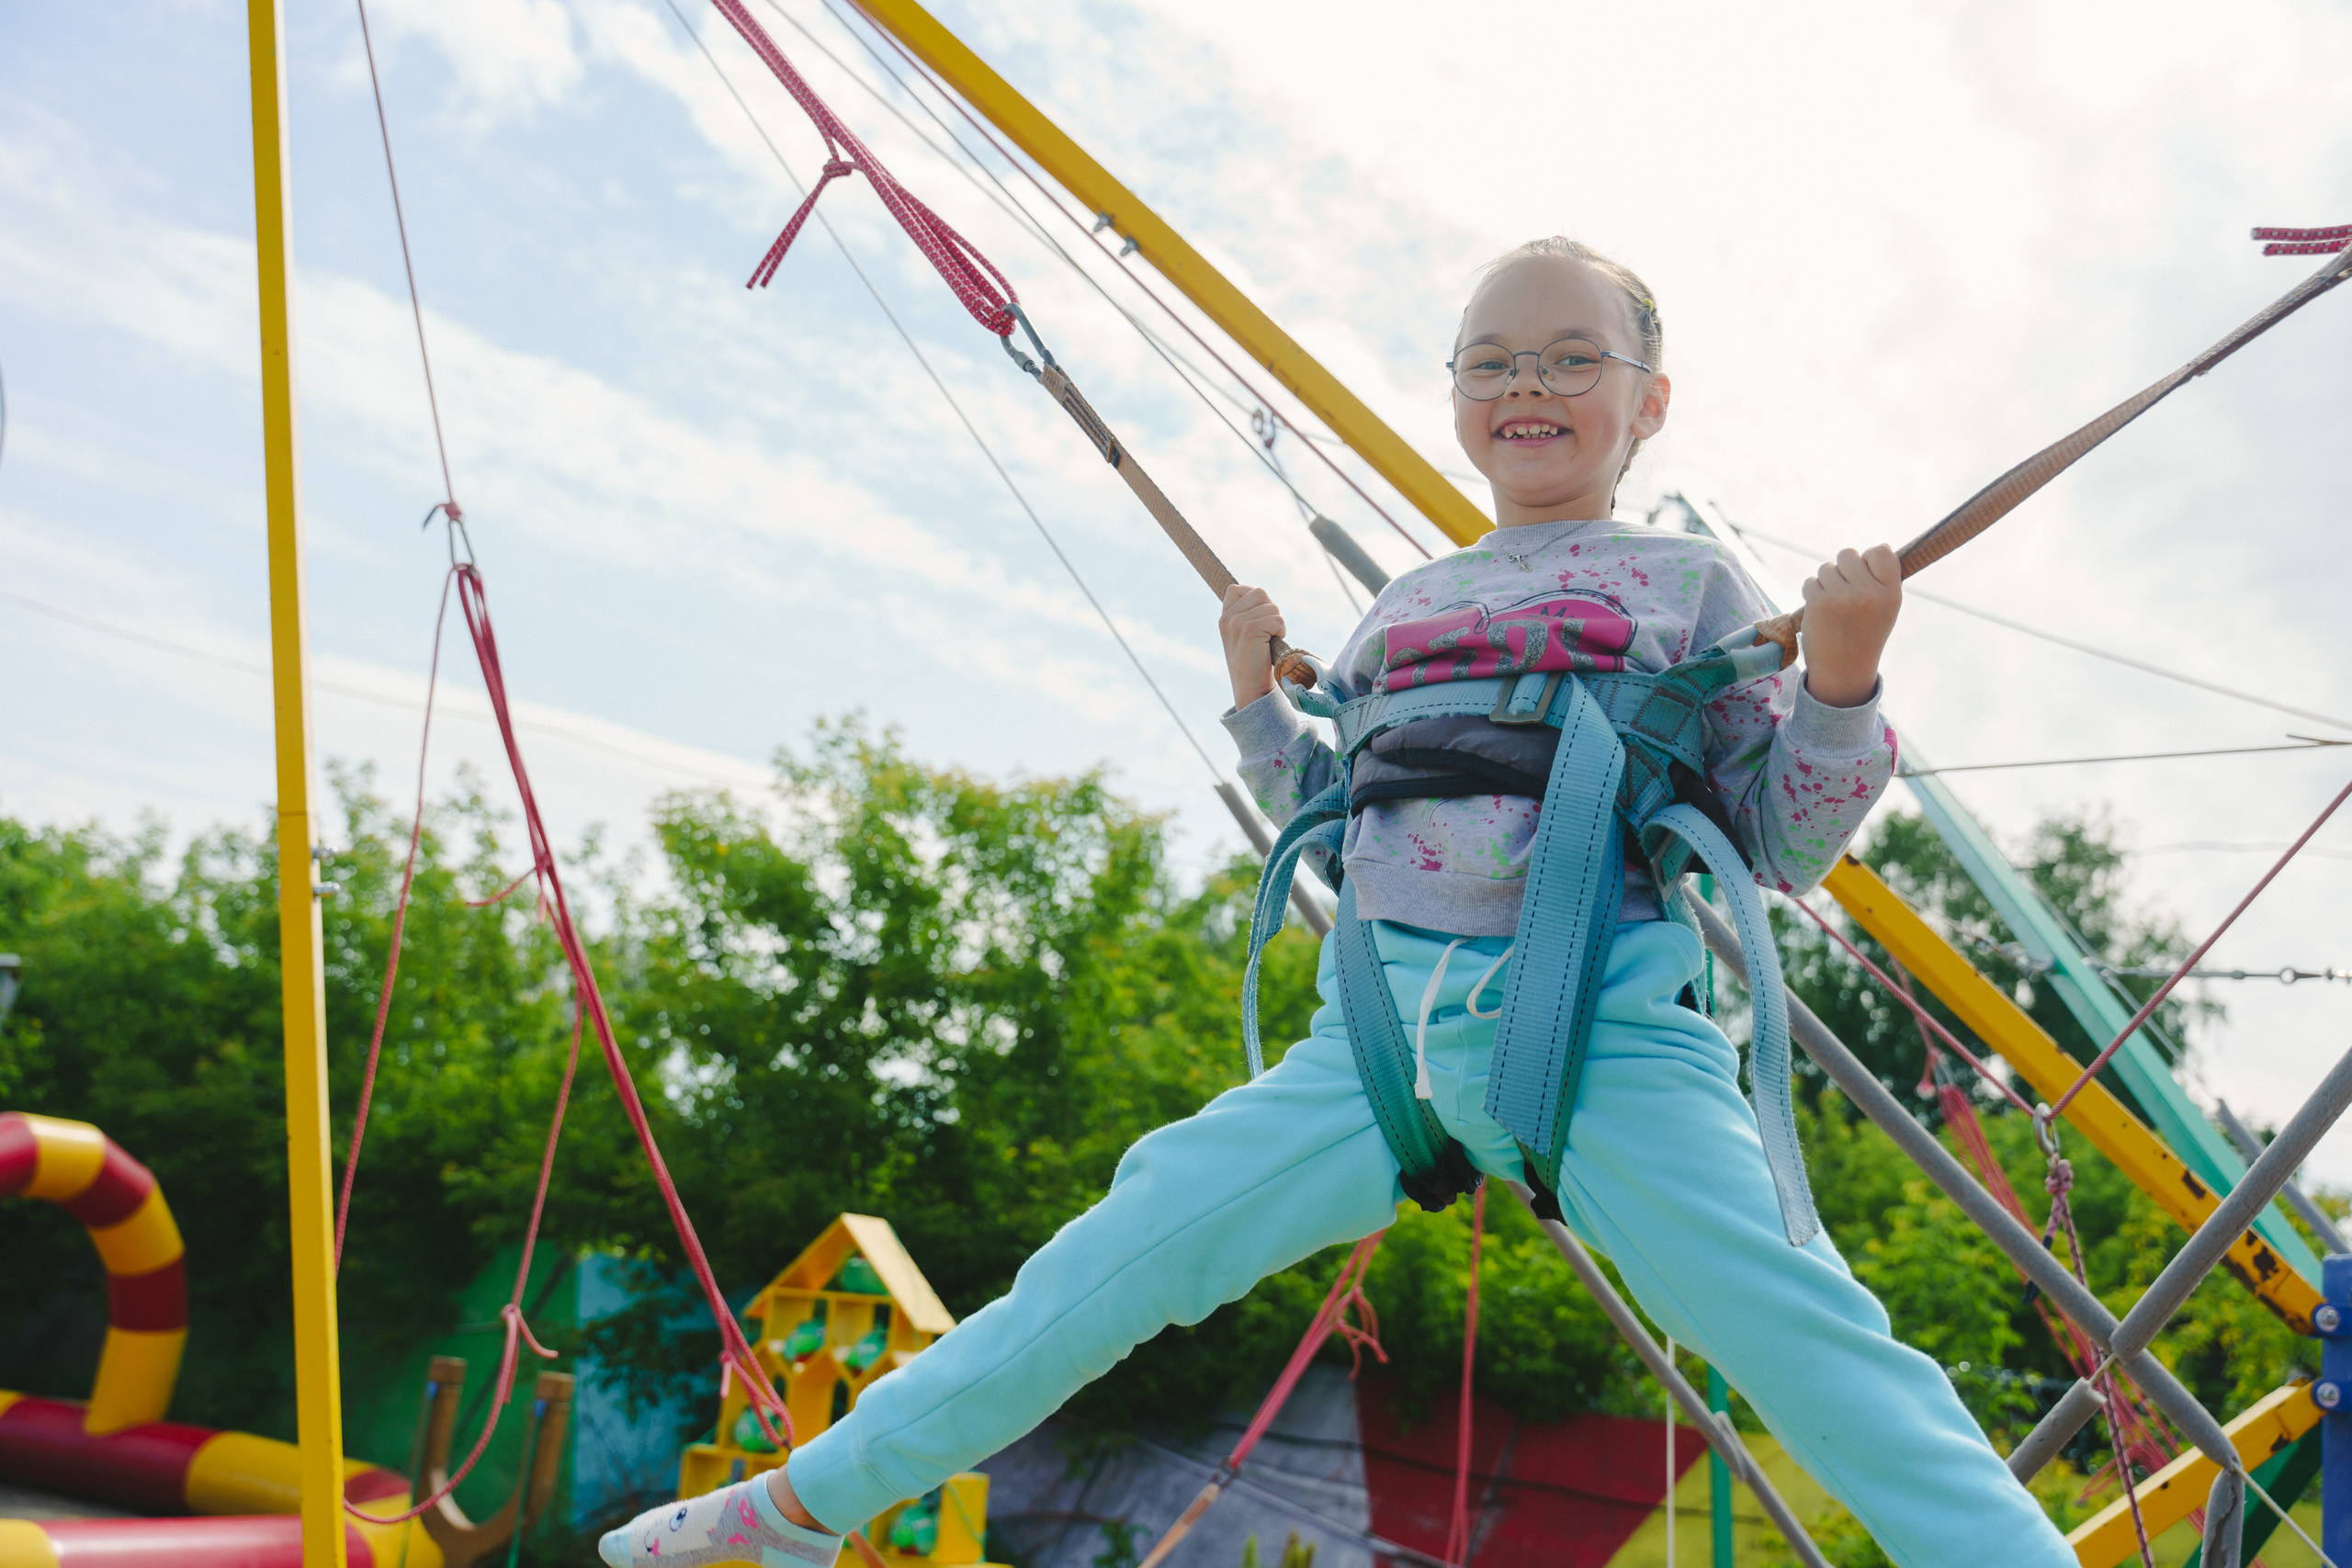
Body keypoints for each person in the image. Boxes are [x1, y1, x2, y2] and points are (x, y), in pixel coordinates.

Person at [601, 238, 2073, 1568]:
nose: (1529, 386)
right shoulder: (1404, 606)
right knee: (1106, 1266)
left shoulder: (1686, 584)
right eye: (1491, 363)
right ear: (1454, 398)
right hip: (1371, 1049)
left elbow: (1780, 843)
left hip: (1602, 1037)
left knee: (1816, 1345)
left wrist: (1841, 674)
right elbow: (1340, 812)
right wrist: (1256, 703)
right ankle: (798, 1512)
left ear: (1652, 399)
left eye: (1572, 359)